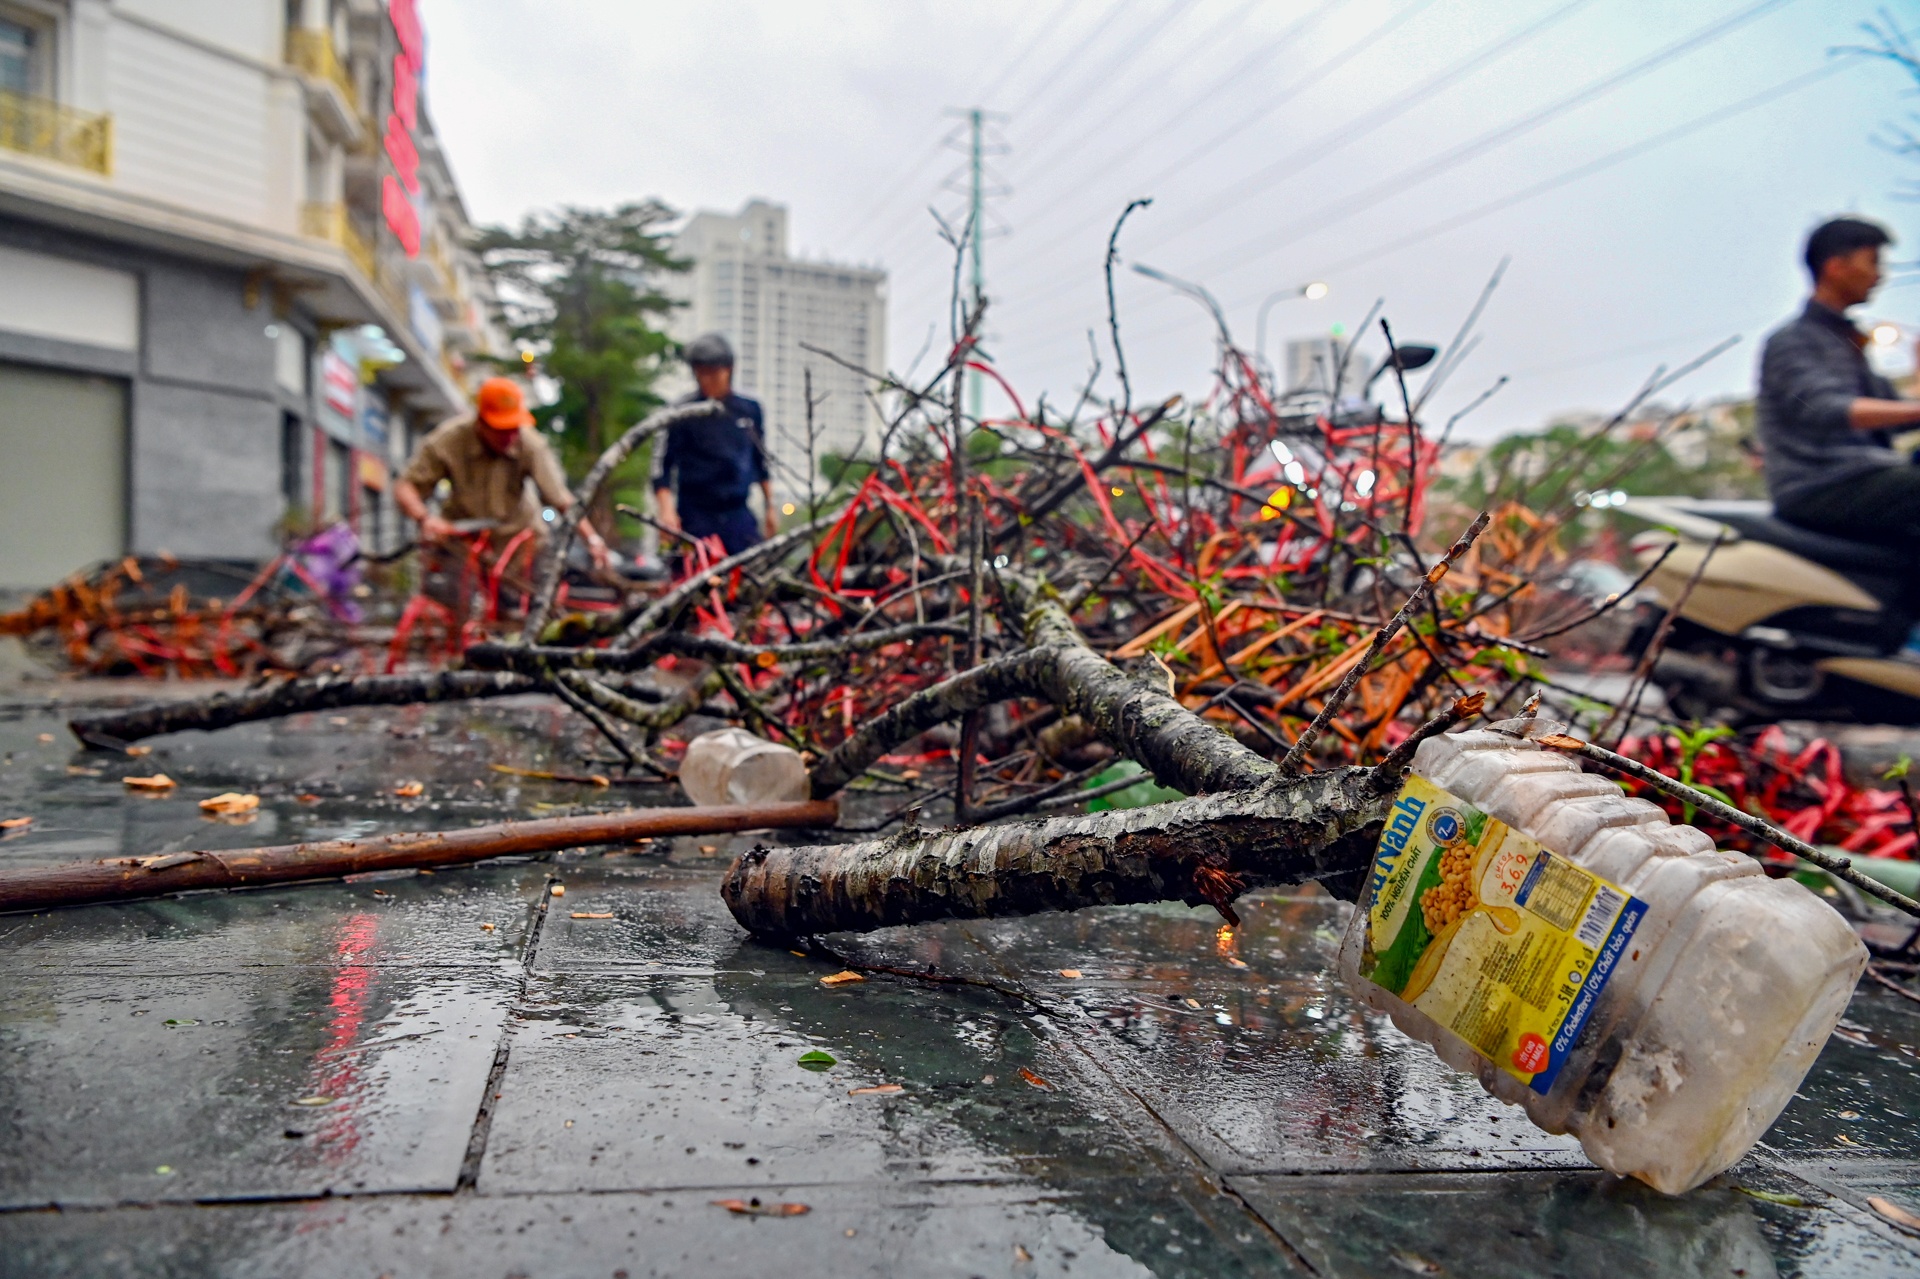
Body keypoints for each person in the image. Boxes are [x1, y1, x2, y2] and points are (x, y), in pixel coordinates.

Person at [1761, 217, 1920, 546]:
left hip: (1864, 476)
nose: (1879, 276)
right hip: (1820, 484)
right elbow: (1826, 409)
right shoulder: (1793, 341)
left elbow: (1894, 413)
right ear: (1836, 266)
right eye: (1872, 262)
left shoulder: (1845, 339)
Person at [394, 377, 608, 609]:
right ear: (481, 421)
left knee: (535, 604)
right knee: (450, 601)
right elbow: (407, 486)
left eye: (514, 428)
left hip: (521, 539)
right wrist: (426, 519)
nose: (509, 436)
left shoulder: (531, 445)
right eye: (501, 429)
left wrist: (592, 539)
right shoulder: (448, 440)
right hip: (463, 539)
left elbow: (562, 499)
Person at [653, 333, 776, 557]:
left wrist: (771, 507)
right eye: (701, 373)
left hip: (737, 509)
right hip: (695, 511)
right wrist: (666, 510)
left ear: (729, 369)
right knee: (692, 570)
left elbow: (761, 461)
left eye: (713, 372)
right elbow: (662, 465)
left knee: (751, 566)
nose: (707, 379)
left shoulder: (750, 410)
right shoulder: (681, 410)